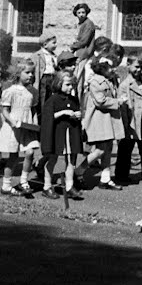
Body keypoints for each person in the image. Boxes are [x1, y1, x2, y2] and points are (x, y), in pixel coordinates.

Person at [0, 60, 40, 197]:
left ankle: (24, 181)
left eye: (32, 72)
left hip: (27, 126)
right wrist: (13, 122)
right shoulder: (10, 91)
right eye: (27, 72)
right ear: (18, 74)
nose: (30, 75)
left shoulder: (32, 91)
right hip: (14, 127)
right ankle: (6, 185)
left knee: (30, 152)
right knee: (13, 157)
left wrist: (35, 125)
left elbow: (33, 110)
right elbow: (5, 111)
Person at [39, 69, 84, 200]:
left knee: (72, 160)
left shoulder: (74, 99)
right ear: (59, 83)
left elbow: (76, 112)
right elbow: (47, 117)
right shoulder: (53, 100)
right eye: (67, 85)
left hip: (70, 133)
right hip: (57, 134)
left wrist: (78, 115)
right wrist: (63, 113)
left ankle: (70, 186)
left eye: (72, 85)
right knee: (52, 159)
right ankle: (46, 186)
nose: (70, 87)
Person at [114, 54, 142, 185]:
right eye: (136, 67)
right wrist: (125, 124)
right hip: (131, 120)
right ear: (128, 65)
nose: (139, 70)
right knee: (126, 147)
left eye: (141, 67)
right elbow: (123, 105)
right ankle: (121, 175)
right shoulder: (125, 85)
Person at [82, 55, 124, 189]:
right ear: (102, 68)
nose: (113, 70)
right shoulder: (95, 82)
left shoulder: (110, 80)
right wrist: (118, 102)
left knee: (108, 148)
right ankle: (77, 171)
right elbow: (100, 101)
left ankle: (105, 178)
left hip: (108, 119)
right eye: (110, 67)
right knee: (100, 150)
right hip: (98, 119)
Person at [32, 33, 58, 113]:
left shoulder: (54, 56)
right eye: (54, 43)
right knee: (43, 97)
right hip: (44, 78)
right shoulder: (38, 55)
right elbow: (34, 67)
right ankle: (42, 116)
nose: (56, 45)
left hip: (52, 78)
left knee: (51, 97)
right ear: (45, 44)